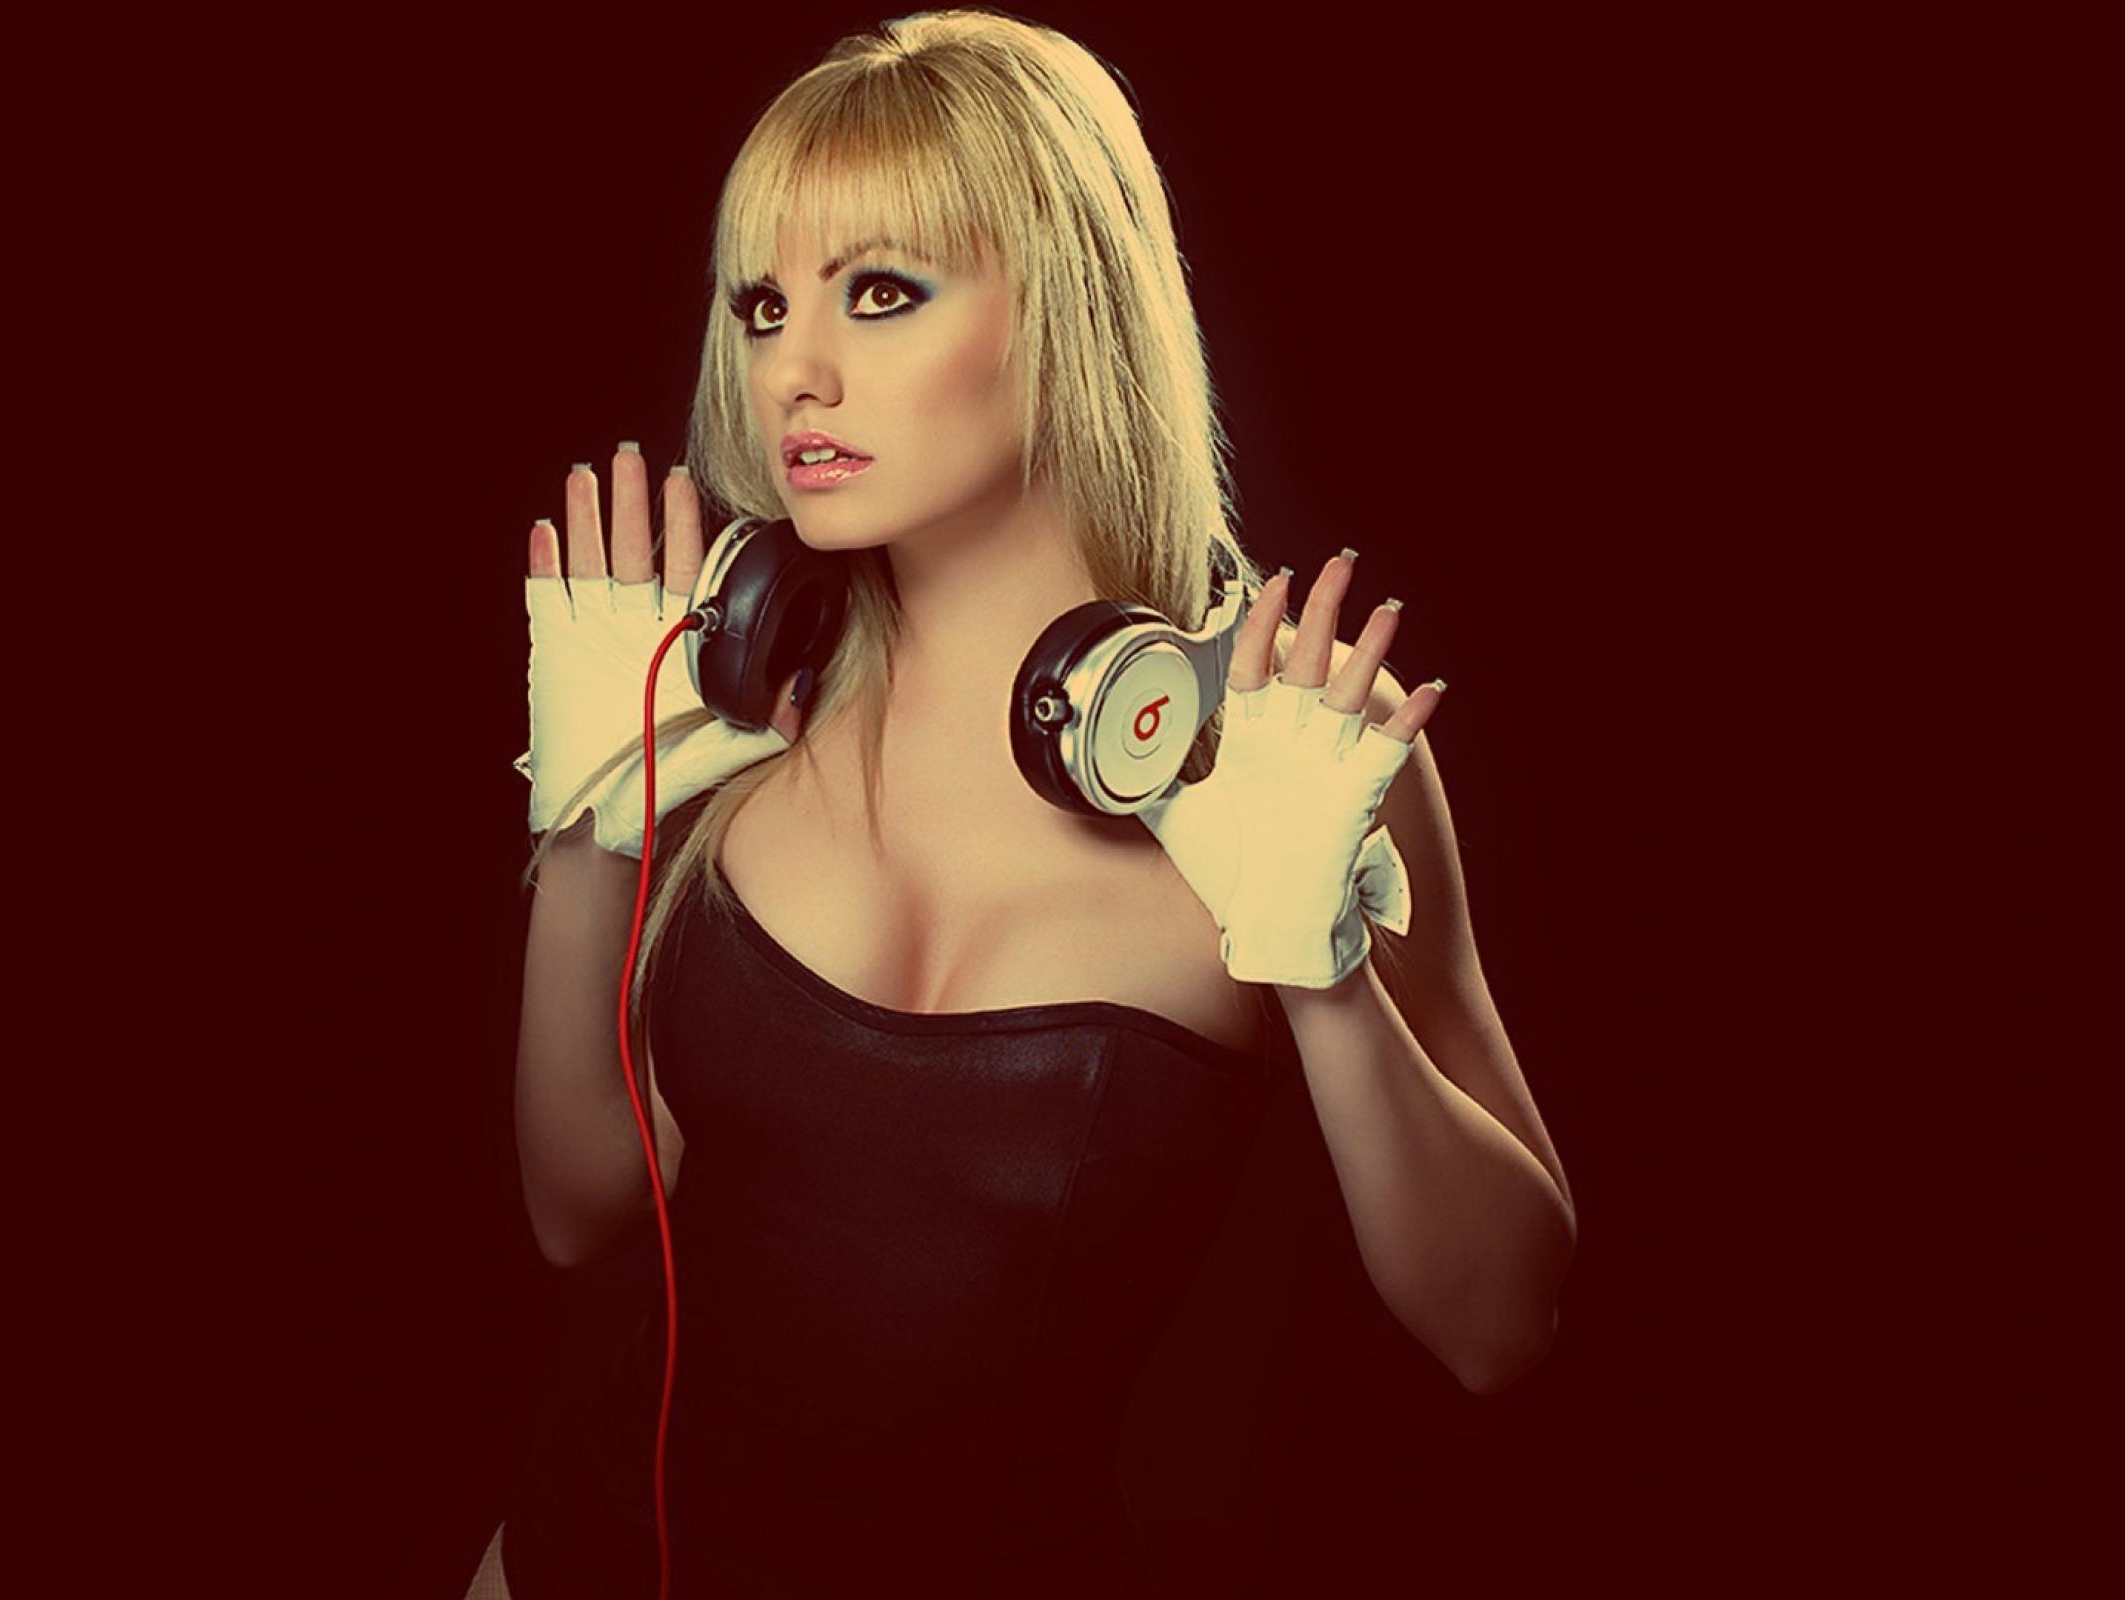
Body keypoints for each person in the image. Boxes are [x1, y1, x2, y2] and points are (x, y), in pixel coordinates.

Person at [485, 11, 1577, 1596]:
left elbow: (1500, 1327)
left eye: (881, 292)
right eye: (765, 306)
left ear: (1067, 302)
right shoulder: (735, 700)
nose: (795, 371)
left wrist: (1322, 973)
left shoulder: (1294, 750)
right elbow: (581, 1206)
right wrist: (595, 831)